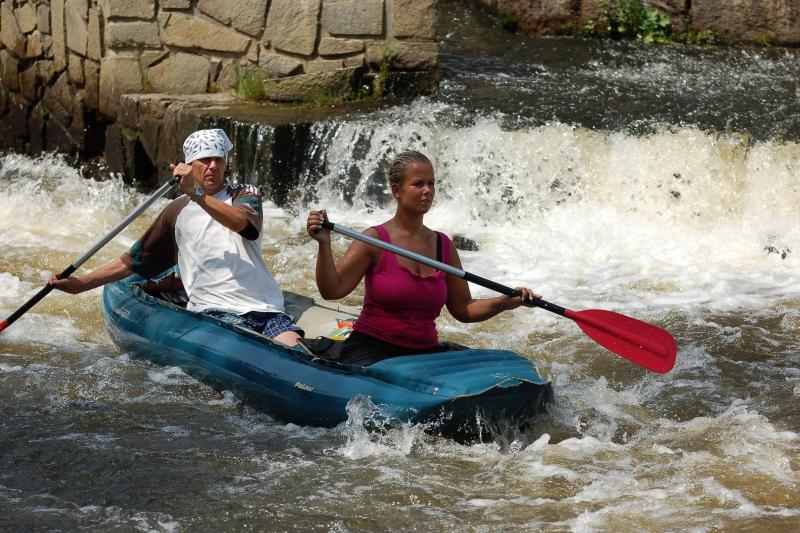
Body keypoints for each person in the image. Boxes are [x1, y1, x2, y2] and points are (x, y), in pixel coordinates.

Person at [50, 128, 302, 346]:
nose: (213, 165)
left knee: (296, 351)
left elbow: (243, 225)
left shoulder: (244, 193)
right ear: (190, 166)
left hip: (266, 308)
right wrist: (82, 285)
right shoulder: (176, 211)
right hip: (216, 311)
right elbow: (135, 261)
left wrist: (197, 194)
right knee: (248, 347)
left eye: (218, 159)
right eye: (205, 160)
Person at [306, 150, 538, 365]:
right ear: (396, 190)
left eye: (431, 183)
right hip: (372, 349)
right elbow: (332, 291)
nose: (427, 190)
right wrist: (324, 244)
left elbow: (463, 308)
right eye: (418, 184)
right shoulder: (373, 240)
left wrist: (505, 302)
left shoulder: (443, 245)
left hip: (424, 353)